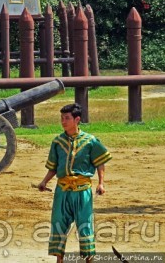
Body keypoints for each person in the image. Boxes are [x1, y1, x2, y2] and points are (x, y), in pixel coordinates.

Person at [37, 104, 111, 262]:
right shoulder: (57, 142)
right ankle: (59, 260)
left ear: (77, 120)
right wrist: (44, 182)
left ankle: (89, 260)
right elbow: (53, 168)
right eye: (62, 118)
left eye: (67, 118)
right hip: (62, 190)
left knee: (85, 225)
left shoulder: (91, 141)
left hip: (82, 190)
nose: (63, 121)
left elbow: (100, 163)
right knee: (58, 224)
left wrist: (101, 183)